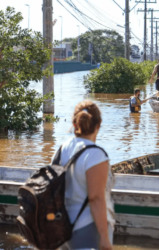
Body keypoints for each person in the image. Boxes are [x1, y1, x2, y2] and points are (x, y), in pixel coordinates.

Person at [56, 100, 115, 250]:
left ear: (74, 123)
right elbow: (95, 198)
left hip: (61, 226)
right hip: (87, 227)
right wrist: (104, 237)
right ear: (98, 124)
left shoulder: (63, 148)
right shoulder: (96, 155)